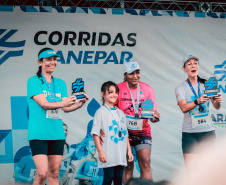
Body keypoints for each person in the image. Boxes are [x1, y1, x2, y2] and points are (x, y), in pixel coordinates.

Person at [27, 47, 89, 185]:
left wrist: (79, 104)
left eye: (54, 59)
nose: (52, 62)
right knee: (42, 173)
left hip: (57, 134)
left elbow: (65, 107)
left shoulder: (60, 83)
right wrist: (64, 101)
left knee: (54, 173)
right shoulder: (33, 81)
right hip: (39, 133)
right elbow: (44, 104)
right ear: (40, 62)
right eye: (48, 59)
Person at [175, 54, 222, 170]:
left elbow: (216, 107)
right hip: (189, 133)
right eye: (189, 64)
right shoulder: (180, 88)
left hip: (207, 132)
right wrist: (198, 101)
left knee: (209, 170)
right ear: (184, 69)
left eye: (195, 63)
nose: (193, 66)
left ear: (198, 67)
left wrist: (219, 101)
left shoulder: (207, 84)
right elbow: (184, 108)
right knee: (191, 171)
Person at [115, 61, 160, 182]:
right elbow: (111, 110)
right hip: (123, 133)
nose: (135, 76)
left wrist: (154, 117)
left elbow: (152, 113)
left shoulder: (147, 89)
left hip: (142, 132)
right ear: (125, 75)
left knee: (145, 163)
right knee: (128, 165)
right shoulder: (118, 88)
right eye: (131, 73)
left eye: (137, 72)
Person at [91, 81, 133, 185]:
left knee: (119, 179)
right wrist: (100, 151)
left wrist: (129, 151)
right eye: (110, 92)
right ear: (103, 94)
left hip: (120, 153)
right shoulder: (100, 111)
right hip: (108, 152)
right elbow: (95, 133)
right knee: (108, 178)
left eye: (115, 92)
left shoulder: (121, 112)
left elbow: (125, 133)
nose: (113, 95)